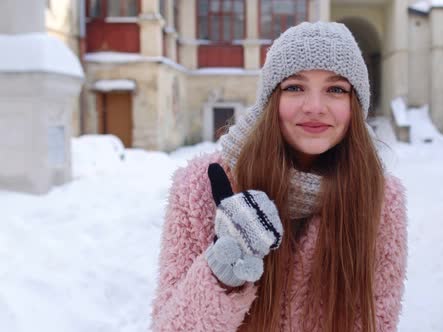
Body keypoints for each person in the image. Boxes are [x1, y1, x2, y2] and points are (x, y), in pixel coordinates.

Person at [151, 21, 407, 332]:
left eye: (336, 89)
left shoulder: (379, 200)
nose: (314, 107)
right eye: (295, 87)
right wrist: (222, 273)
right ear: (271, 101)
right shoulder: (201, 189)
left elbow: (375, 323)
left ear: (356, 106)